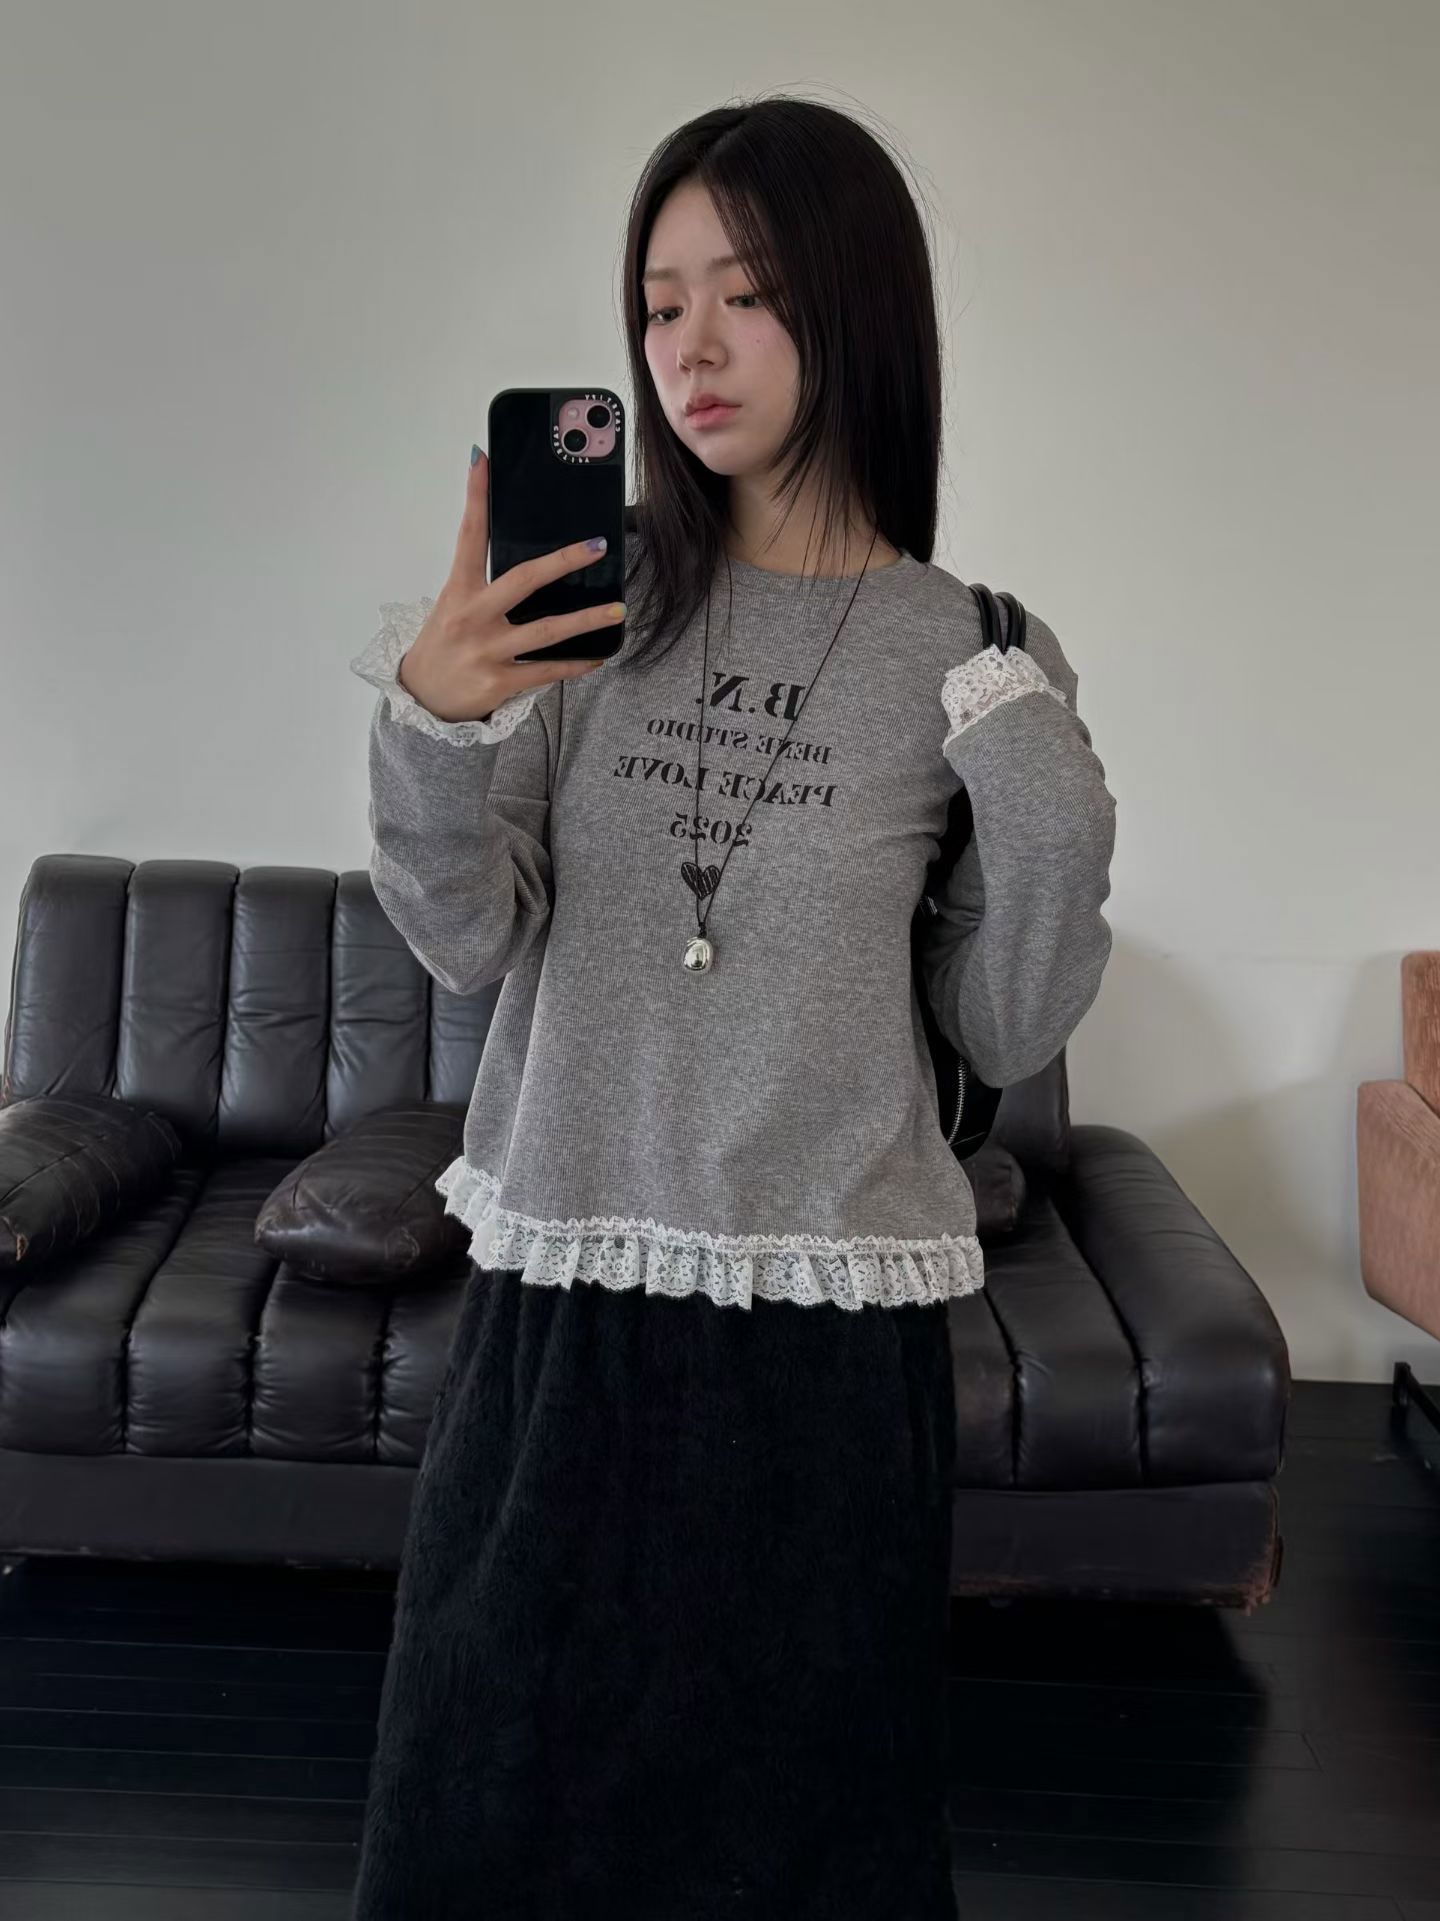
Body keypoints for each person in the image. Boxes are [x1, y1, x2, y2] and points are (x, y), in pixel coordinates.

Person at [346, 94, 1117, 1921]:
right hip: (563, 1299)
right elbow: (465, 934)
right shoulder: (586, 601)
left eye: (746, 294)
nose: (688, 347)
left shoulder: (977, 649)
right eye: (660, 301)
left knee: (799, 1844)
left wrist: (1054, 810)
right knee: (478, 1815)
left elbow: (1003, 1024)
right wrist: (434, 718)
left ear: (855, 304)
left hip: (829, 1344)